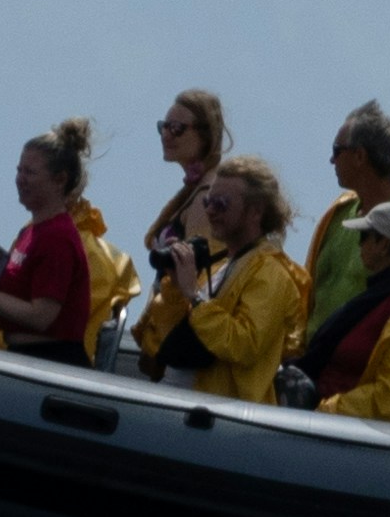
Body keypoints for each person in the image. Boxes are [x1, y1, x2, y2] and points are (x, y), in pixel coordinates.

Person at [132, 154, 308, 403]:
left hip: (218, 418)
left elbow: (243, 345)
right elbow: (164, 338)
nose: (210, 211)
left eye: (222, 204)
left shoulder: (272, 274)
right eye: (207, 202)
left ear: (255, 211)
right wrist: (175, 288)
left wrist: (194, 297)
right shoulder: (223, 267)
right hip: (183, 404)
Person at [299, 104, 390, 362]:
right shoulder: (337, 214)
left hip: (367, 377)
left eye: (337, 150)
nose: (332, 160)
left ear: (359, 156)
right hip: (312, 369)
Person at [292, 199, 390, 420]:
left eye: (363, 236)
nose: (359, 245)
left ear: (384, 244)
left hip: (347, 440)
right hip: (325, 428)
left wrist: (327, 410)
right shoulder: (375, 299)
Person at [0, 119, 112, 354]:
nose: (20, 179)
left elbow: (41, 316)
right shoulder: (31, 232)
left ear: (60, 180)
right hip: (24, 355)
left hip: (50, 360)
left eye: (30, 172)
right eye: (18, 170)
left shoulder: (58, 237)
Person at [137, 89, 235, 292]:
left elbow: (205, 274)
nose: (166, 135)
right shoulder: (195, 191)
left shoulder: (206, 196)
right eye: (163, 127)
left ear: (205, 136)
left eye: (176, 128)